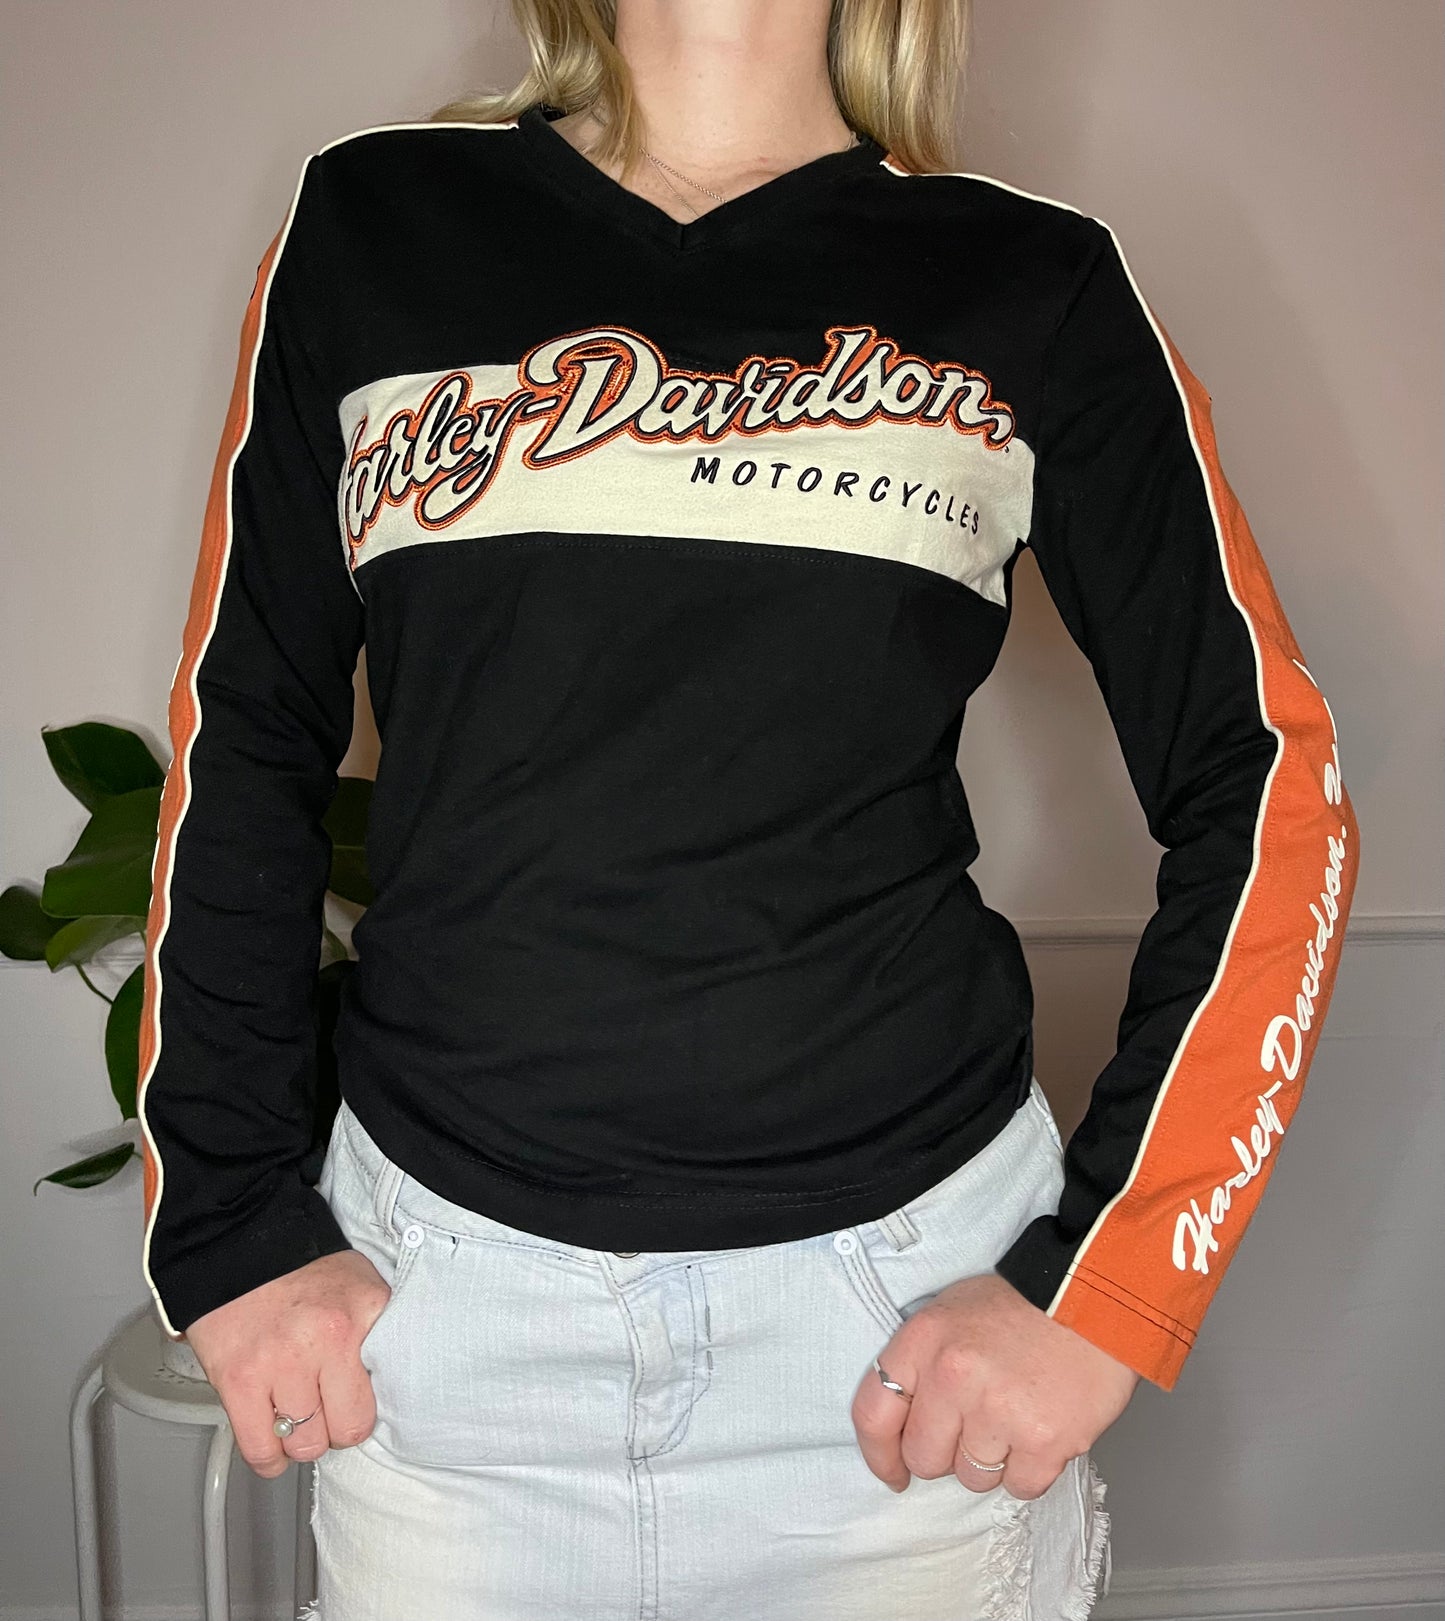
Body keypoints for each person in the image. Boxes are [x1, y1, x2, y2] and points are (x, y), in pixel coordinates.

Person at [133, 0, 1361, 1615]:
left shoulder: (1032, 281)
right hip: (442, 1332)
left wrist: (1105, 1285)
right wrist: (227, 1218)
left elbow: (1269, 781)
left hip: (900, 1334)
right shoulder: (371, 226)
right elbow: (244, 745)